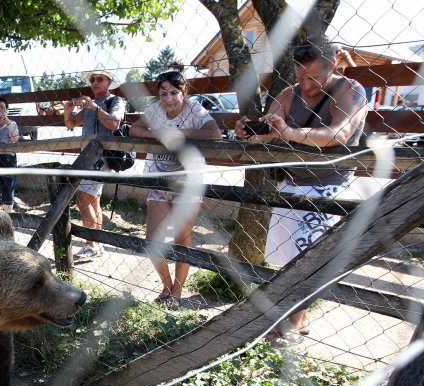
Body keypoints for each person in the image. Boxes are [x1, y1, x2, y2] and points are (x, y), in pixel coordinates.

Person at [235, 39, 367, 345]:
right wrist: (251, 130)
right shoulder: (288, 93)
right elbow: (270, 127)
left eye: (314, 77)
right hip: (291, 183)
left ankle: (289, 327)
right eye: (300, 76)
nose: (306, 84)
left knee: (307, 258)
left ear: (333, 67)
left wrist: (291, 133)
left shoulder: (350, 90)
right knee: (287, 259)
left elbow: (340, 133)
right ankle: (298, 321)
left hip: (328, 184)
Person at [129, 68, 222, 306]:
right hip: (158, 180)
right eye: (164, 94)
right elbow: (134, 129)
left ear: (183, 92)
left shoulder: (194, 109)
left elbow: (215, 133)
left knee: (182, 238)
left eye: (173, 93)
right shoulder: (155, 111)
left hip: (187, 181)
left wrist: (183, 132)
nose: (169, 99)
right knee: (153, 238)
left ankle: (177, 292)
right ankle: (166, 286)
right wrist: (158, 133)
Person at [63, 67, 126, 260]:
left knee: (82, 199)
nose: (95, 82)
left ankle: (91, 244)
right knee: (92, 200)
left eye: (100, 79)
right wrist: (68, 111)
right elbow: (71, 123)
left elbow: (114, 123)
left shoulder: (115, 101)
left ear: (109, 82)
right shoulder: (90, 105)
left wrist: (94, 107)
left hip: (102, 157)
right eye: (93, 80)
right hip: (87, 156)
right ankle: (96, 244)